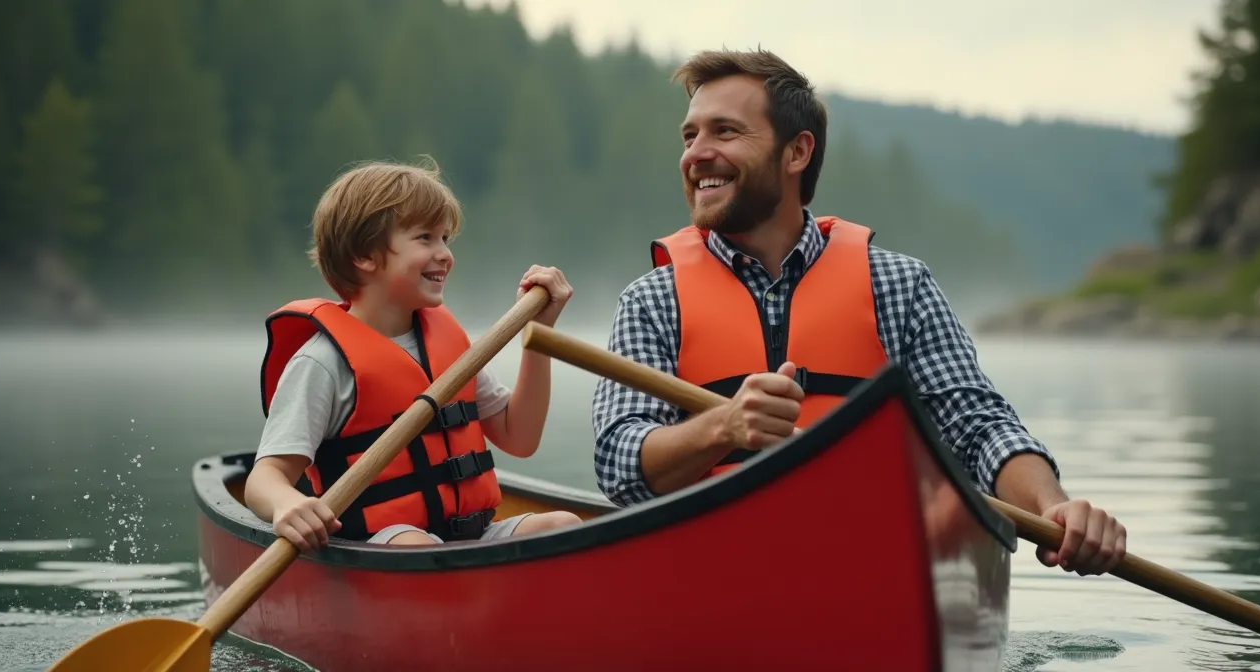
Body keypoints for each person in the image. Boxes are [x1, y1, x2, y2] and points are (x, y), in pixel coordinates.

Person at [590, 48, 1127, 577]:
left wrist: (1051, 506)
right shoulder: (653, 300)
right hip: (714, 568)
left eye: (725, 132)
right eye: (690, 136)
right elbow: (619, 464)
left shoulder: (896, 285)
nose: (696, 154)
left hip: (874, 562)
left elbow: (977, 427)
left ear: (797, 152)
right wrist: (722, 427)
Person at [245, 158, 582, 551]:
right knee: (416, 546)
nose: (444, 254)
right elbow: (263, 479)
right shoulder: (323, 363)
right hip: (379, 544)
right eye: (425, 238)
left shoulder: (449, 345)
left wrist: (538, 332)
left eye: (446, 239)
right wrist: (287, 502)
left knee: (565, 525)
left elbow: (519, 436)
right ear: (364, 255)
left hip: (471, 536)